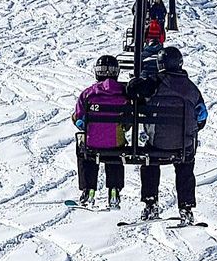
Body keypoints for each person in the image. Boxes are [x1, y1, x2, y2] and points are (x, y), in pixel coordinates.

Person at [136, 46, 207, 224]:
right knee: (185, 164)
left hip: (157, 144)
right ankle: (186, 207)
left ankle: (151, 204)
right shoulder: (191, 88)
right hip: (182, 146)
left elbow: (133, 90)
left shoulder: (154, 83)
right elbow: (202, 116)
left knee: (149, 160)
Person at [72, 55, 126, 209]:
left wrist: (80, 122)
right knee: (116, 151)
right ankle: (114, 191)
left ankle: (88, 190)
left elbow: (79, 117)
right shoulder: (123, 94)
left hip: (92, 141)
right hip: (116, 142)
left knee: (84, 149)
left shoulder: (88, 94)